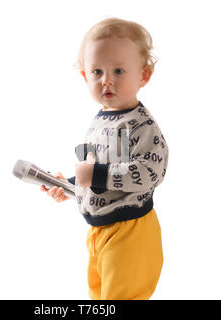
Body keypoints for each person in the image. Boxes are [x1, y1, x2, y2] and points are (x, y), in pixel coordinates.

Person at [41, 17, 169, 300]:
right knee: (99, 296)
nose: (106, 80)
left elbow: (150, 172)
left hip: (130, 230)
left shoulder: (141, 126)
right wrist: (73, 185)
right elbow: (101, 168)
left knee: (122, 296)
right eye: (97, 71)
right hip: (99, 232)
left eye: (119, 70)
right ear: (85, 76)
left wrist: (95, 176)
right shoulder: (101, 120)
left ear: (143, 76)